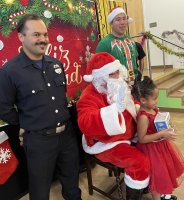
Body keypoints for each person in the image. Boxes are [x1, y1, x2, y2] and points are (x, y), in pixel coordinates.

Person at [0, 14, 81, 200]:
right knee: (39, 191)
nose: (43, 39)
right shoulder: (9, 72)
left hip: (67, 135)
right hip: (38, 141)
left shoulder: (56, 64)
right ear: (21, 37)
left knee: (72, 183)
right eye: (36, 34)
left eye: (45, 34)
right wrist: (26, 124)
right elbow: (4, 108)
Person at [76, 52, 150, 200]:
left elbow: (131, 104)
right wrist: (115, 110)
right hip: (105, 143)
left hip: (129, 134)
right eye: (111, 74)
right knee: (139, 161)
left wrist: (142, 110)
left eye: (117, 72)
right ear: (100, 77)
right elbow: (85, 122)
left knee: (153, 147)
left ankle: (145, 186)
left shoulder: (119, 86)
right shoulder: (89, 94)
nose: (116, 76)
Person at [132, 76, 184, 200]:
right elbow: (142, 139)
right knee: (157, 179)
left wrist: (168, 127)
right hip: (151, 150)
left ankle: (163, 194)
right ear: (142, 100)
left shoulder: (152, 109)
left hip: (160, 147)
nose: (156, 101)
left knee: (165, 174)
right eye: (154, 99)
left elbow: (158, 123)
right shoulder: (143, 117)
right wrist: (161, 134)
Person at [96, 6, 143, 83]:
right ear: (111, 23)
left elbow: (134, 62)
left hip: (135, 84)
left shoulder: (129, 40)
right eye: (118, 19)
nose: (122, 22)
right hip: (118, 88)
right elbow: (99, 71)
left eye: (124, 19)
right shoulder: (104, 44)